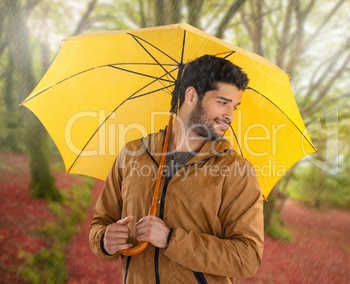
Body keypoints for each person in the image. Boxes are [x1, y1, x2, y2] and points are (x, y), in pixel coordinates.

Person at [89, 55, 264, 283]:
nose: (229, 115)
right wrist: (104, 240)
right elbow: (100, 222)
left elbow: (247, 257)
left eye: (234, 107)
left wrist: (171, 239)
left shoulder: (236, 171)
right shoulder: (133, 153)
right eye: (222, 102)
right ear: (191, 96)